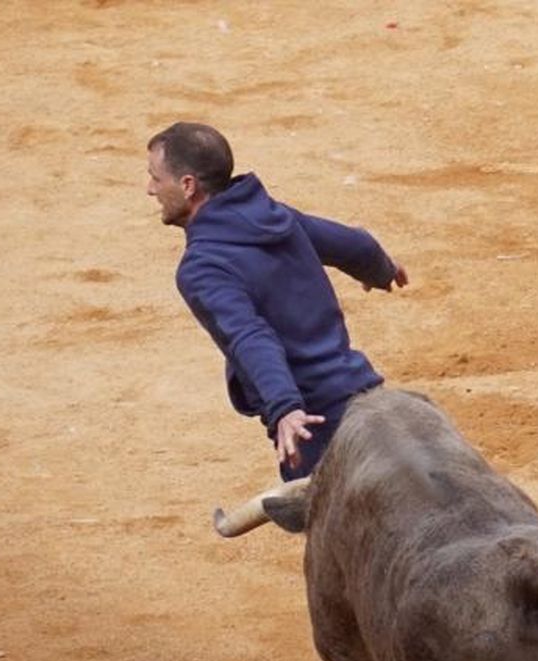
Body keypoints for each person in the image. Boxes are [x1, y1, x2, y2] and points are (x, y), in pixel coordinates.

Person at [146, 122, 408, 480]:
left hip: (316, 422)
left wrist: (285, 407)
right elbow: (350, 244)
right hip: (364, 392)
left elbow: (249, 336)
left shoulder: (202, 267)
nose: (150, 190)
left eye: (156, 179)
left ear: (187, 185)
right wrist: (381, 269)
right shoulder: (271, 215)